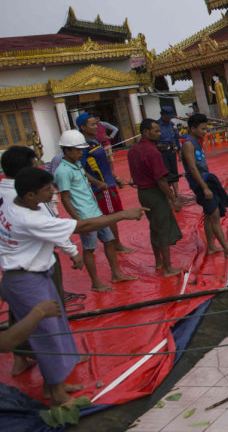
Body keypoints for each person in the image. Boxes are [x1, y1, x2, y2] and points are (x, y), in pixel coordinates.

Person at [0, 167, 146, 406]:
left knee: (56, 327)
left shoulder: (13, 204)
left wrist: (70, 251)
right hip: (26, 280)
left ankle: (55, 383)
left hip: (33, 273)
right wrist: (123, 215)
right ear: (30, 195)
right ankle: (56, 395)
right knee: (47, 334)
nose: (52, 193)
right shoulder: (29, 218)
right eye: (47, 190)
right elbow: (82, 227)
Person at [1, 146, 63, 377]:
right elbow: (53, 227)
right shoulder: (22, 198)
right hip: (35, 260)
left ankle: (20, 358)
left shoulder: (4, 191)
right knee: (49, 311)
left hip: (12, 262)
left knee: (19, 310)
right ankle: (54, 376)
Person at [53, 130, 136, 292]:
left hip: (96, 212)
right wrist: (79, 222)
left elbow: (84, 173)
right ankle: (96, 283)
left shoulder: (76, 164)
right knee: (89, 249)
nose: (80, 153)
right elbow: (65, 198)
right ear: (66, 150)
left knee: (109, 241)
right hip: (85, 217)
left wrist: (97, 182)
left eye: (81, 149)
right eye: (77, 150)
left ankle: (116, 274)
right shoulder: (62, 171)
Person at [130, 119, 184, 277]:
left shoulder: (133, 149)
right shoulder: (152, 152)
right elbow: (160, 179)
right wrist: (173, 198)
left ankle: (159, 262)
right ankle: (167, 268)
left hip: (142, 193)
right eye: (156, 131)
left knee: (154, 226)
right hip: (153, 191)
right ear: (146, 132)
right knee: (162, 228)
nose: (159, 134)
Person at [77, 112, 135, 254]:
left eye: (96, 124)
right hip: (103, 186)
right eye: (92, 124)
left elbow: (102, 165)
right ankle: (116, 245)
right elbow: (82, 169)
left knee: (114, 214)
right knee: (110, 216)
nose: (96, 127)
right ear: (83, 127)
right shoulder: (84, 147)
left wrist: (115, 177)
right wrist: (98, 183)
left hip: (109, 183)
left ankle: (115, 243)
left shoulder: (96, 142)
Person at [181, 114, 228, 259]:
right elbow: (192, 168)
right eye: (202, 129)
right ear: (192, 129)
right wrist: (204, 187)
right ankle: (226, 250)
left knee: (209, 213)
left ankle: (211, 246)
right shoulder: (188, 145)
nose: (205, 131)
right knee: (214, 214)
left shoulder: (197, 142)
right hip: (200, 182)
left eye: (206, 128)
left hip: (205, 178)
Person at [156, 107, 181, 197]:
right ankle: (168, 194)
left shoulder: (172, 125)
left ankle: (177, 193)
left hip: (172, 151)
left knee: (174, 171)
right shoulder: (157, 125)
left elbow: (176, 138)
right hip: (161, 152)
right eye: (167, 117)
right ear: (162, 115)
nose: (169, 119)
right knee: (165, 172)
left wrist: (179, 151)